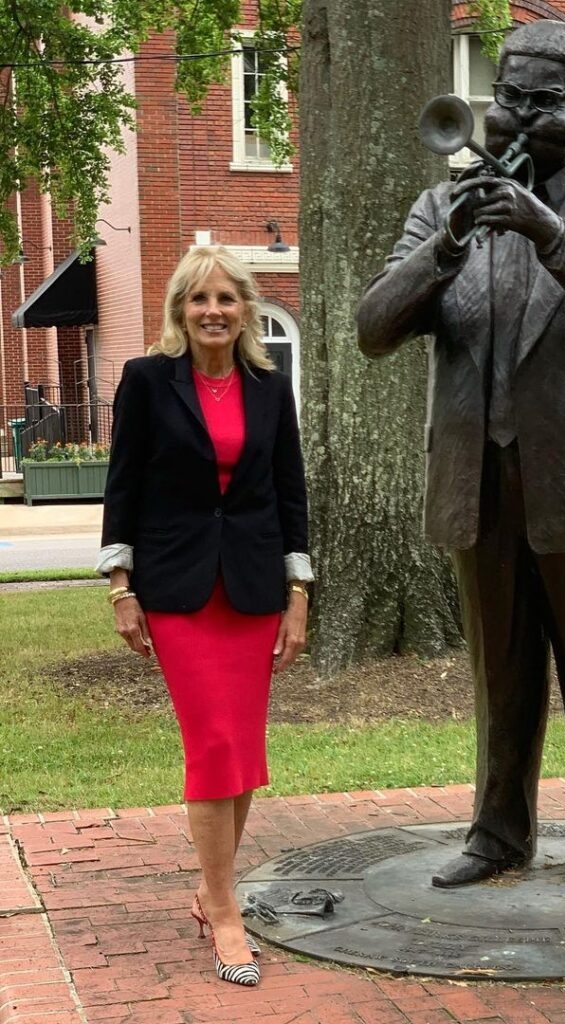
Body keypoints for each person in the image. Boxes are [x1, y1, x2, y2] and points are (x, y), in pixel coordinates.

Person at [357, 19, 565, 903]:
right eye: (509, 101)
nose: (519, 118)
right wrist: (445, 245)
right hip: (478, 481)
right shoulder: (439, 208)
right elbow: (374, 328)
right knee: (501, 673)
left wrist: (547, 231)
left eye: (542, 103)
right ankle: (498, 831)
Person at [97, 246, 312, 985]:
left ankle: (209, 890)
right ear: (179, 311)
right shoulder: (148, 381)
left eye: (226, 298)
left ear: (246, 308)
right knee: (214, 747)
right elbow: (121, 486)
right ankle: (224, 908)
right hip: (177, 591)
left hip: (252, 589)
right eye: (199, 299)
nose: (213, 311)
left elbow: (291, 494)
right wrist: (121, 587)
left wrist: (299, 594)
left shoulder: (269, 388)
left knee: (244, 753)